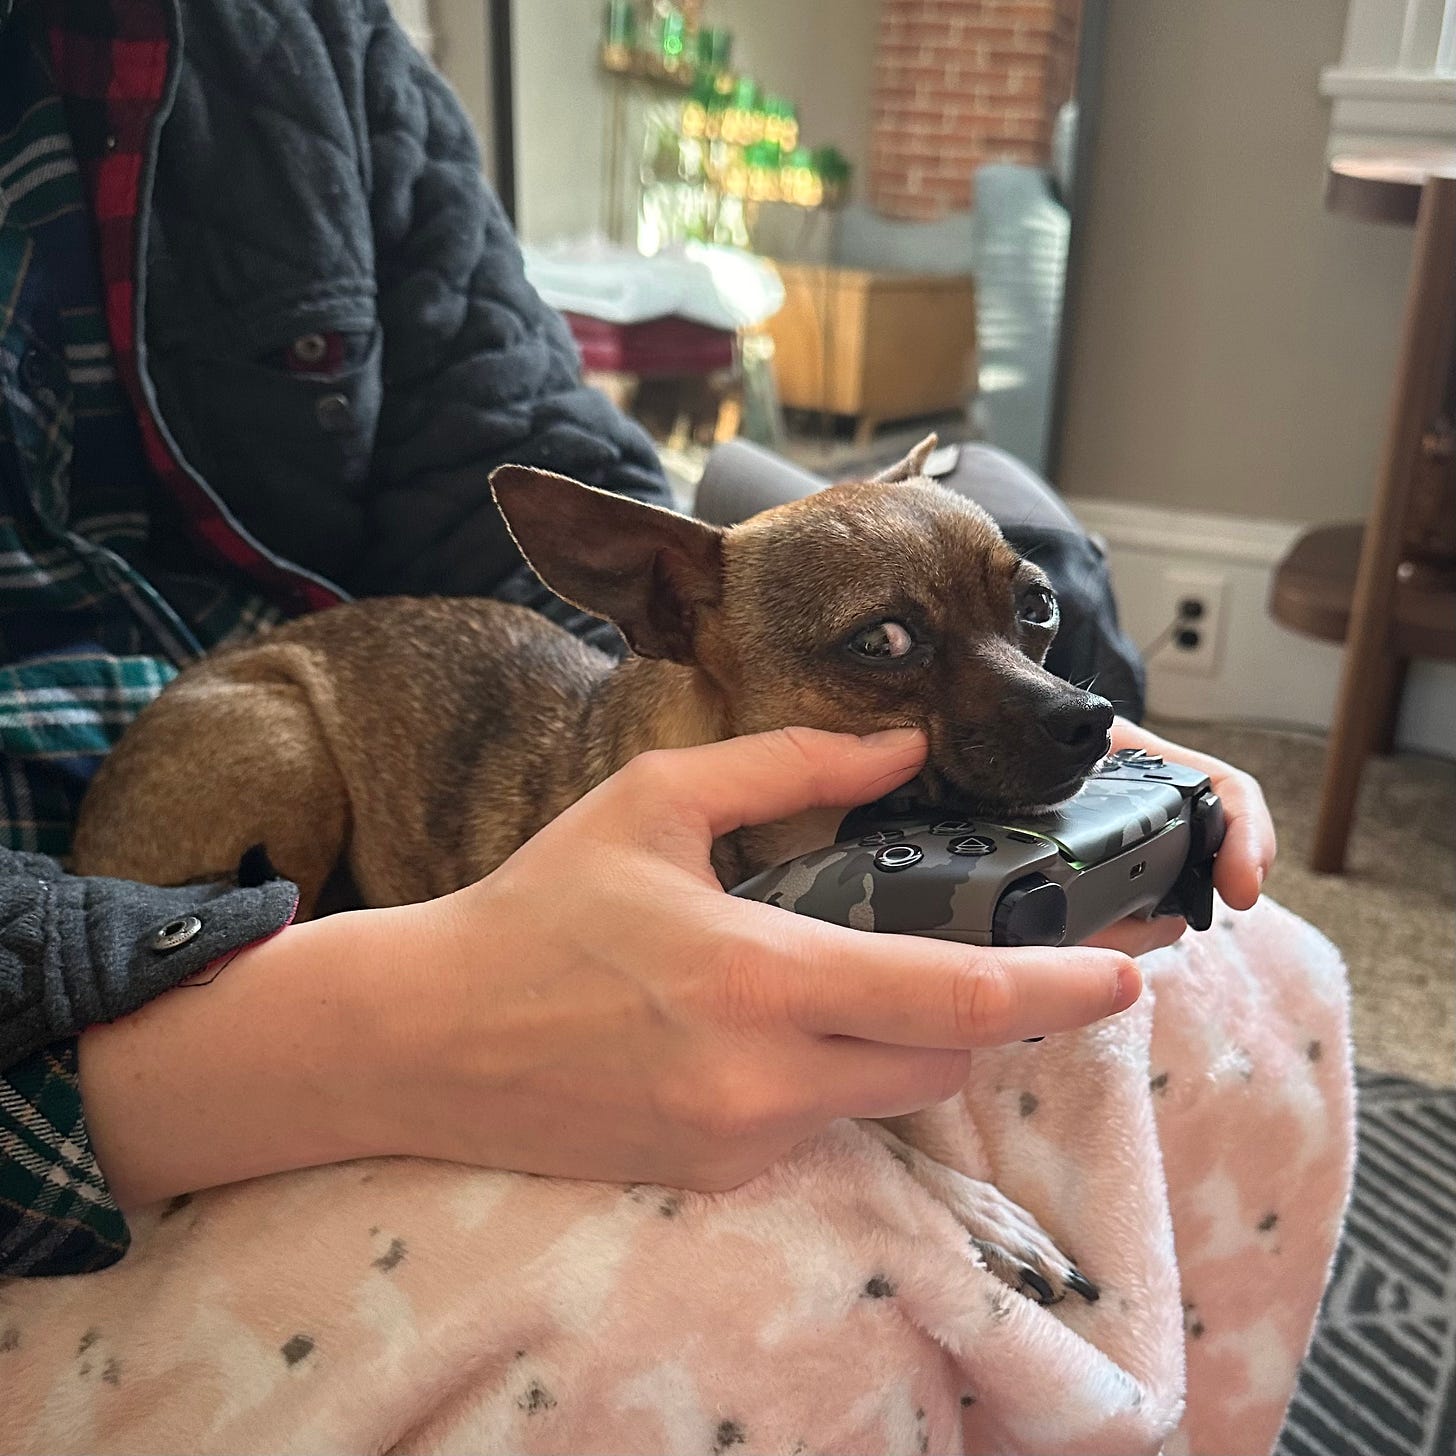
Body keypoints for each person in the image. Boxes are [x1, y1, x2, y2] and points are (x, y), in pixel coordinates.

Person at [0, 0, 1274, 1281]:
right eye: (885, 645)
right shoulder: (603, 746)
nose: (1050, 694)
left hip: (445, 656)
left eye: (1025, 615)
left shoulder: (296, 38)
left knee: (1256, 994)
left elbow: (487, 413)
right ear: (675, 613)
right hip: (192, 810)